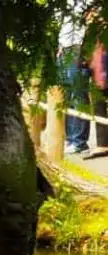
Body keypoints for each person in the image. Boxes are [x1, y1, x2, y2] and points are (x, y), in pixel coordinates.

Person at [60, 8, 91, 154]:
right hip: (65, 47)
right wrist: (60, 46)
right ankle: (70, 138)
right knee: (67, 95)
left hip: (79, 47)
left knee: (78, 94)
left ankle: (79, 141)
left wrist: (84, 51)